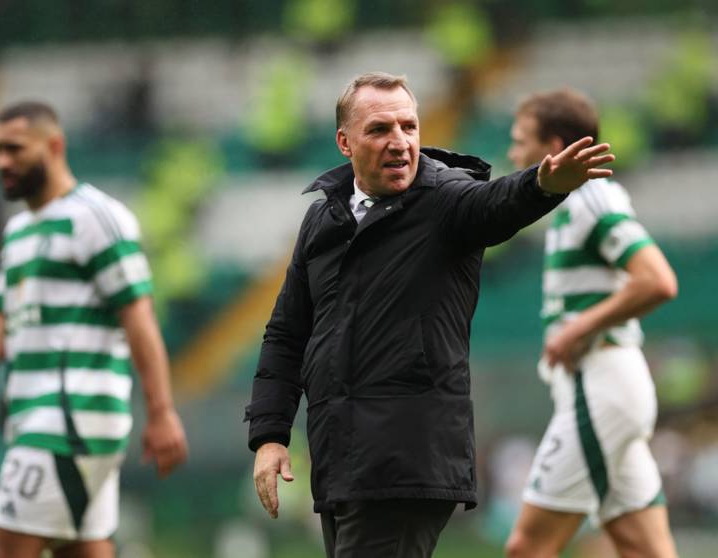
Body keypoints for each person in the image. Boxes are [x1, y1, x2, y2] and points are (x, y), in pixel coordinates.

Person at [245, 72, 615, 558]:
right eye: (380, 129)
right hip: (341, 463)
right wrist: (270, 436)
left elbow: (496, 204)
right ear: (344, 142)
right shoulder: (323, 218)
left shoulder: (446, 198)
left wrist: (542, 185)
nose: (400, 141)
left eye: (409, 126)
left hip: (406, 461)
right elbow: (287, 333)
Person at [0, 101, 189, 558]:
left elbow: (138, 315)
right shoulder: (18, 230)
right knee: (82, 549)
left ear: (54, 146)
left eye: (15, 148)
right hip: (47, 421)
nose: (2, 162)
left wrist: (161, 411)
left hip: (67, 420)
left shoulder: (96, 217)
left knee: (4, 550)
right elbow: (1, 318)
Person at [504, 88, 679, 558]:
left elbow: (658, 280)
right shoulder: (569, 203)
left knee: (527, 547)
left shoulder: (590, 196)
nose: (513, 153)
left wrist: (579, 328)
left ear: (553, 148)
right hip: (608, 391)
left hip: (601, 384)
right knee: (643, 548)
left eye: (520, 141)